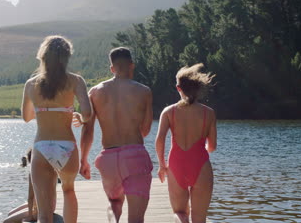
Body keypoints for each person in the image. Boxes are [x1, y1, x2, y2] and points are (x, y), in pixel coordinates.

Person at [22, 35, 92, 223]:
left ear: (42, 57)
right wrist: (76, 115)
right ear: (66, 57)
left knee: (44, 215)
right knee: (68, 191)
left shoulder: (31, 84)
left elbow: (27, 117)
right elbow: (87, 113)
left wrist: (44, 110)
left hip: (42, 147)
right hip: (66, 146)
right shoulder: (76, 81)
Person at [79, 47, 153, 223]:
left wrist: (83, 160)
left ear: (112, 68)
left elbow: (88, 130)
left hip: (108, 158)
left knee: (114, 204)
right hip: (135, 156)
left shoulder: (95, 92)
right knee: (136, 218)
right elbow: (146, 130)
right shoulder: (144, 91)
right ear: (131, 66)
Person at [155, 63, 217, 223]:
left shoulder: (168, 112)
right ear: (197, 88)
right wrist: (199, 151)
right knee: (199, 218)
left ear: (178, 88)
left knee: (180, 214)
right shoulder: (208, 113)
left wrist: (162, 165)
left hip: (176, 165)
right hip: (201, 165)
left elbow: (159, 139)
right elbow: (212, 146)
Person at [4, 149, 38, 223]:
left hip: (39, 210)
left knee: (6, 222)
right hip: (46, 207)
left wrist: (30, 216)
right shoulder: (50, 170)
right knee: (10, 213)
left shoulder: (33, 173)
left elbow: (30, 197)